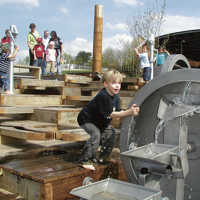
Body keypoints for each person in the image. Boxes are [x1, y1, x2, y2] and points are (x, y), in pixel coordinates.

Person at [77, 69, 140, 165]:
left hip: (100, 122)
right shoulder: (103, 96)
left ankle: (102, 158)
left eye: (119, 83)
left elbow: (119, 113)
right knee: (96, 135)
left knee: (111, 133)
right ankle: (84, 160)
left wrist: (131, 111)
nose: (117, 85)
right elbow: (111, 114)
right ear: (105, 84)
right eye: (114, 83)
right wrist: (128, 112)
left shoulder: (116, 97)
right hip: (87, 119)